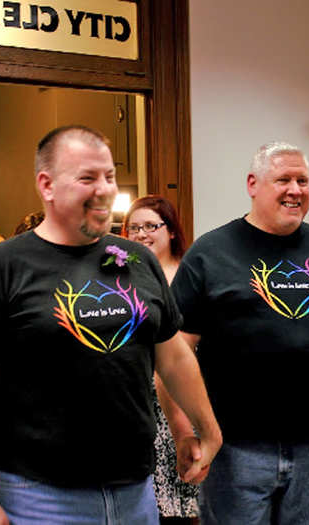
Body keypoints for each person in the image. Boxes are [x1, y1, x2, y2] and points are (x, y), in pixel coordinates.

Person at [0, 125, 222, 524]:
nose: (105, 189)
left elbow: (173, 356)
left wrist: (202, 429)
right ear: (47, 185)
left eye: (109, 176)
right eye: (87, 177)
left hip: (135, 491)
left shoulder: (137, 260)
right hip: (38, 496)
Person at [170, 141, 309, 525]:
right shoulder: (211, 252)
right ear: (253, 184)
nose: (296, 190)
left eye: (302, 180)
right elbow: (173, 353)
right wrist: (185, 431)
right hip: (235, 448)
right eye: (283, 179)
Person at [123, 195, 199, 525]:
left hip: (186, 395)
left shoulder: (191, 275)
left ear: (170, 231)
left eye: (151, 226)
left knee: (192, 496)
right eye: (134, 228)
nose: (141, 234)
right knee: (151, 501)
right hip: (138, 401)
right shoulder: (119, 279)